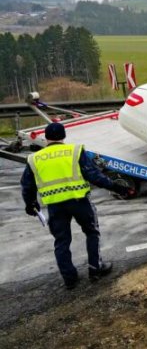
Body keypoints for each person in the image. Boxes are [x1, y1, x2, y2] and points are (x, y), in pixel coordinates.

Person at [20, 123, 133, 289]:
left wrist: (30, 204)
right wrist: (117, 187)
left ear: (46, 138)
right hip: (79, 202)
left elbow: (27, 185)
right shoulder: (75, 151)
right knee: (92, 232)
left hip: (55, 206)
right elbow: (94, 175)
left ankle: (70, 279)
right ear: (63, 136)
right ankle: (95, 269)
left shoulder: (34, 158)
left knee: (61, 242)